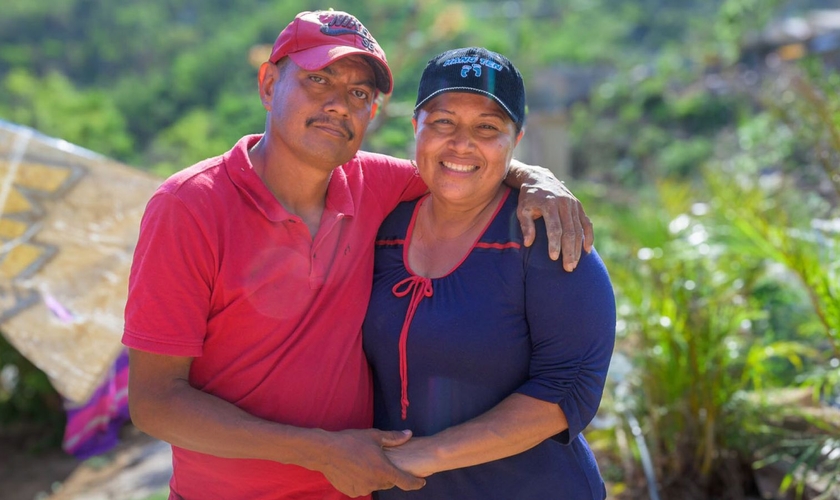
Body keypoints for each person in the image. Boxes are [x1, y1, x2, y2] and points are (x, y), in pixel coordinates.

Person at [123, 10, 593, 500]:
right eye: (317, 79)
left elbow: (463, 162)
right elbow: (156, 403)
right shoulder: (188, 207)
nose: (338, 105)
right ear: (268, 84)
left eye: (359, 94)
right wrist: (322, 452)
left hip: (358, 490)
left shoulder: (375, 185)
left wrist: (536, 178)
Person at [362, 47, 616, 499]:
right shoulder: (379, 227)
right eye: (442, 122)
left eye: (487, 127)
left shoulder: (547, 240)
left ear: (515, 140)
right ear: (414, 128)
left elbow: (567, 390)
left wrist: (417, 457)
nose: (462, 143)